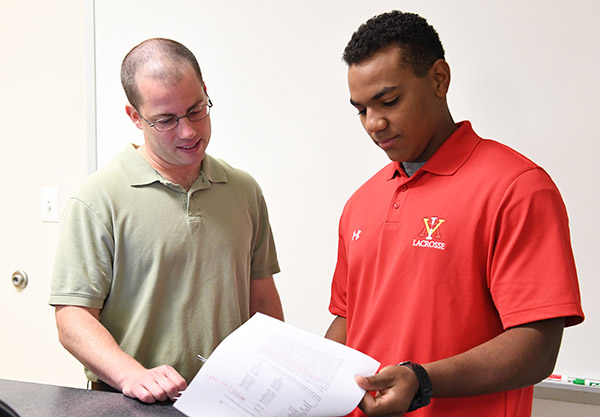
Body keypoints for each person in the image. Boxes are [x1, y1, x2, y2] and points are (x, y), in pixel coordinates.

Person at [325, 11, 584, 417]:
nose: (374, 123)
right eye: (360, 110)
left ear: (439, 79)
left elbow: (537, 346)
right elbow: (348, 320)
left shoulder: (517, 188)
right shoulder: (361, 202)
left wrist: (421, 380)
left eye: (389, 101)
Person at [49, 38, 284, 403]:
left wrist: (276, 375)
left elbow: (263, 298)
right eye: (165, 120)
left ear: (205, 92)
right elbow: (72, 318)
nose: (188, 131)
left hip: (231, 401)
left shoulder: (243, 190)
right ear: (134, 116)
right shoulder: (98, 198)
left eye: (195, 110)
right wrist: (132, 375)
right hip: (128, 401)